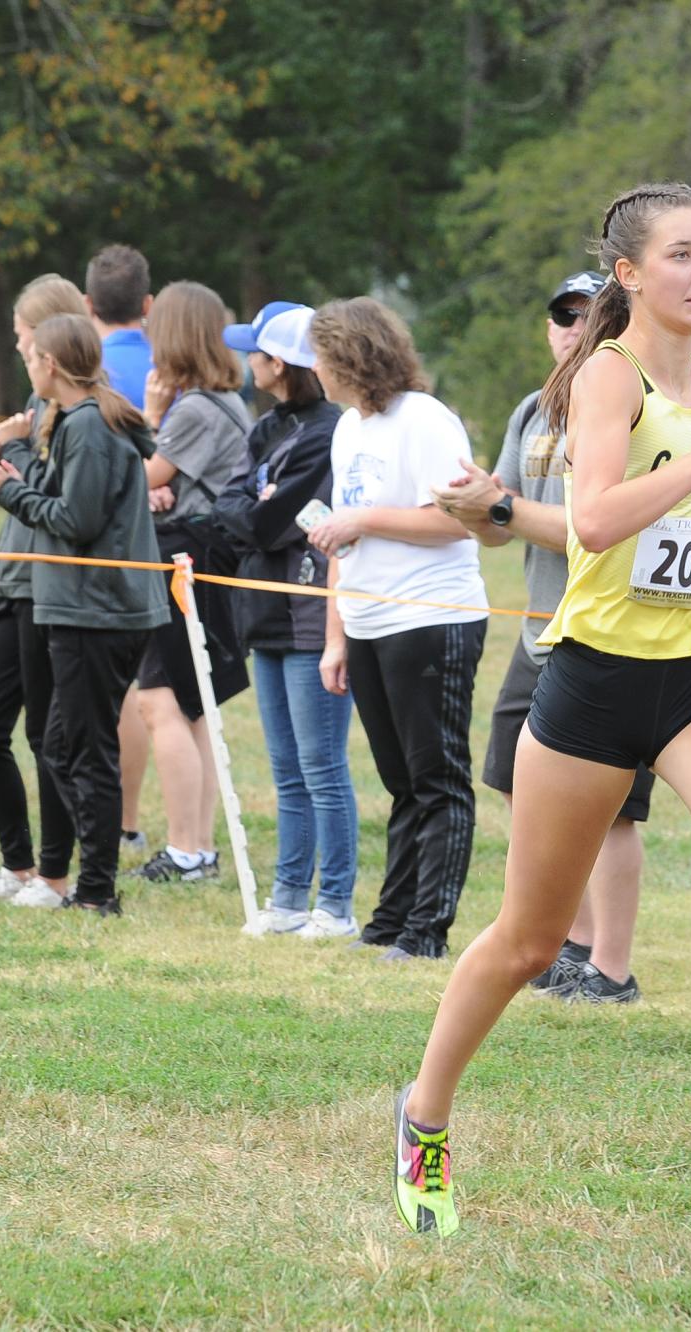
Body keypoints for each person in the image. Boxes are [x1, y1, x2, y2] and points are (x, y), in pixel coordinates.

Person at [391, 181, 691, 1240]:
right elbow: (595, 519)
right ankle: (424, 1116)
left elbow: (683, 520)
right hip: (592, 680)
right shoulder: (609, 380)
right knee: (530, 941)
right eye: (680, 255)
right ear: (629, 275)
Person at [432, 269, 654, 1003]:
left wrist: (498, 510)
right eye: (561, 315)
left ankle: (612, 971)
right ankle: (575, 945)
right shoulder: (533, 408)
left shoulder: (626, 403)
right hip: (539, 633)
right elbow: (502, 530)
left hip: (613, 636)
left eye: (587, 314)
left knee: (614, 811)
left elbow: (593, 532)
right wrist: (471, 505)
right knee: (516, 782)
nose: (571, 327)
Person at [0, 314, 168, 915]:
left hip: (95, 608)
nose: (27, 366)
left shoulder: (92, 425)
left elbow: (76, 520)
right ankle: (87, 883)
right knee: (66, 745)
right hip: (79, 605)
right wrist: (14, 463)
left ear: (49, 364)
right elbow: (60, 492)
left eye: (30, 357)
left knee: (82, 750)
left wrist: (7, 491)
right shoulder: (79, 422)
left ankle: (95, 891)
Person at [309, 297, 488, 962]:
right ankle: (389, 920)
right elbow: (338, 535)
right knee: (400, 781)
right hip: (368, 621)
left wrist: (367, 521)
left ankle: (426, 930)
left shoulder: (425, 422)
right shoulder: (347, 428)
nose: (315, 373)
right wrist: (336, 634)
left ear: (350, 358)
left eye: (322, 359)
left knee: (436, 778)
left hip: (430, 620)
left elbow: (455, 520)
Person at [214, 302, 359, 937]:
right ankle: (288, 899)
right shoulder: (266, 425)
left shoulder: (330, 430)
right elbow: (232, 501)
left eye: (255, 352)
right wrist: (252, 501)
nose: (247, 362)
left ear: (280, 363)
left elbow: (264, 521)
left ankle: (336, 905)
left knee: (321, 765)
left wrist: (256, 502)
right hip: (263, 612)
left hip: (308, 613)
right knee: (284, 769)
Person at [0, 274, 87, 907]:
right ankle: (19, 865)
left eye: (21, 336)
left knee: (46, 737)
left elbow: (64, 504)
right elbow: (26, 494)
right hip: (12, 581)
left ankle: (56, 878)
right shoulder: (35, 411)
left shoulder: (81, 415)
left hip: (52, 590)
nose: (16, 347)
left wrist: (14, 457)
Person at [125, 280, 253, 884]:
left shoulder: (198, 408)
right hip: (202, 561)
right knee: (192, 706)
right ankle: (196, 849)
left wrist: (151, 420)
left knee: (161, 701)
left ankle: (185, 850)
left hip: (184, 562)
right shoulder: (222, 402)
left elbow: (140, 478)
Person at [84, 243, 156, 860]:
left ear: (86, 306)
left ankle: (112, 823)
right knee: (140, 688)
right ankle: (128, 821)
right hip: (161, 549)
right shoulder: (168, 366)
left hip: (95, 551)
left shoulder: (85, 372)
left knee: (110, 691)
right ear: (148, 305)